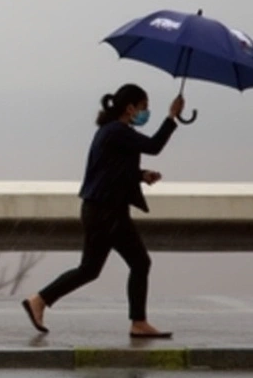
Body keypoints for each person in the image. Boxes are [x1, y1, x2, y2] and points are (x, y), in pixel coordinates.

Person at [20, 83, 184, 338]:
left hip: (102, 210)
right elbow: (153, 146)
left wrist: (142, 175)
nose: (145, 113)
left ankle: (40, 301)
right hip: (107, 213)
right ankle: (137, 322)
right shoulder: (117, 131)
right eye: (143, 108)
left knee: (92, 269)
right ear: (130, 108)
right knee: (138, 262)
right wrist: (172, 116)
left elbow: (112, 170)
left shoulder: (113, 132)